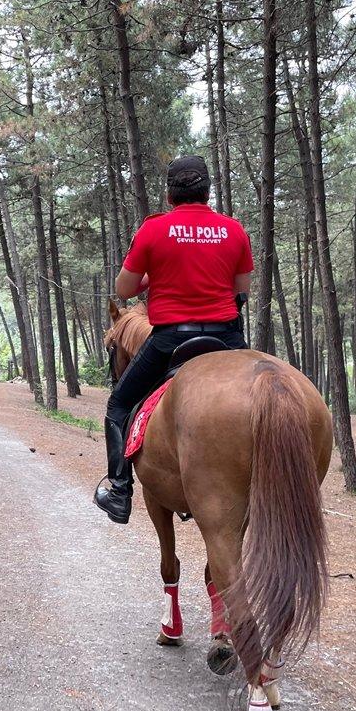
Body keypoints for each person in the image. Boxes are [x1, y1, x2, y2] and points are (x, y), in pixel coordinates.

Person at [94, 156, 252, 524]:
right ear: (208, 193)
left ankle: (120, 491)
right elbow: (241, 289)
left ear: (169, 195)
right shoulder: (234, 230)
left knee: (118, 405)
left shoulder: (153, 230)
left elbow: (124, 290)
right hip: (227, 338)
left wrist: (154, 277)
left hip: (170, 340)